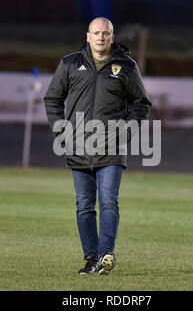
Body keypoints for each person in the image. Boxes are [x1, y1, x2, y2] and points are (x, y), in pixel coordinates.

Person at [44, 17, 151, 275]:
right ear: (88, 36)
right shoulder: (69, 63)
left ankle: (106, 255)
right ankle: (90, 257)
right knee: (83, 205)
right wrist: (62, 133)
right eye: (96, 33)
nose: (101, 37)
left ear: (112, 37)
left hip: (111, 148)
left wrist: (126, 133)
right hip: (78, 146)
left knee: (108, 201)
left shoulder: (126, 65)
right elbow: (52, 99)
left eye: (106, 33)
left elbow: (141, 104)